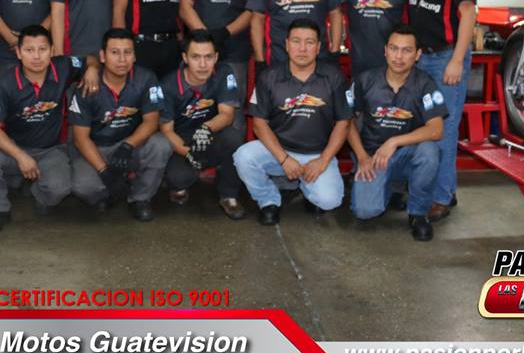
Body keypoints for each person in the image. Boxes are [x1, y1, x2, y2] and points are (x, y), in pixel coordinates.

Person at [234, 19, 352, 225]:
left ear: (318, 47)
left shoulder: (334, 77)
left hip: (317, 153)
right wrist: (284, 159)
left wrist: (323, 160)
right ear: (287, 45)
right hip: (279, 150)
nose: (302, 48)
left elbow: (344, 123)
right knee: (243, 156)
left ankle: (307, 189)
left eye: (309, 42)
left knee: (330, 201)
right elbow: (259, 124)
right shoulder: (269, 77)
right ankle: (268, 201)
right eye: (296, 41)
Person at [0, 25, 81, 236]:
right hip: (14, 149)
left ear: (52, 51)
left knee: (59, 189)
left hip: (51, 150)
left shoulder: (63, 66)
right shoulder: (5, 81)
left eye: (42, 49)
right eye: (29, 50)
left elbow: (90, 60)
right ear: (19, 53)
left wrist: (92, 69)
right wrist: (21, 156)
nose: (37, 56)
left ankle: (35, 190)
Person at [405, 0, 477, 222]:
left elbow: (469, 14)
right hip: (419, 61)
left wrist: (457, 60)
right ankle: (443, 189)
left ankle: (441, 198)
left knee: (444, 130)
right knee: (422, 127)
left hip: (446, 59)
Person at [348, 26, 447, 241]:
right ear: (385, 50)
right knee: (365, 211)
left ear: (417, 55)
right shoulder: (364, 80)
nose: (399, 57)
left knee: (429, 151)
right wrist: (362, 156)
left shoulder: (425, 84)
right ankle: (391, 189)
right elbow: (346, 122)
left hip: (406, 155)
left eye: (407, 50)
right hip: (373, 156)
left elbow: (436, 129)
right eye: (394, 49)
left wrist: (394, 141)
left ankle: (418, 214)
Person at [68, 28, 173, 222]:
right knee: (84, 187)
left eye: (128, 52)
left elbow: (151, 122)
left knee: (161, 145)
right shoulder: (87, 85)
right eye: (115, 52)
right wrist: (104, 172)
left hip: (129, 143)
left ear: (135, 56)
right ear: (102, 56)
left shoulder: (146, 78)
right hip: (95, 148)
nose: (122, 59)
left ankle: (140, 198)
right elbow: (80, 139)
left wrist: (127, 146)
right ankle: (108, 193)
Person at [160, 30, 246, 220]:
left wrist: (206, 128)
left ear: (216, 57)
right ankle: (179, 184)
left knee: (234, 137)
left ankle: (229, 195)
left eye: (208, 57)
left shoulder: (224, 72)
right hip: (182, 141)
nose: (202, 64)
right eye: (195, 57)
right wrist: (188, 153)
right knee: (179, 178)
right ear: (185, 58)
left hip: (211, 133)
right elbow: (166, 131)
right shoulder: (168, 85)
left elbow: (227, 115)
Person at [179, 0, 253, 132]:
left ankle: (234, 152)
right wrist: (205, 39)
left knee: (233, 111)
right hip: (197, 54)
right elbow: (185, 7)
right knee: (195, 108)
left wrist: (225, 32)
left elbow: (251, 12)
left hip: (234, 53)